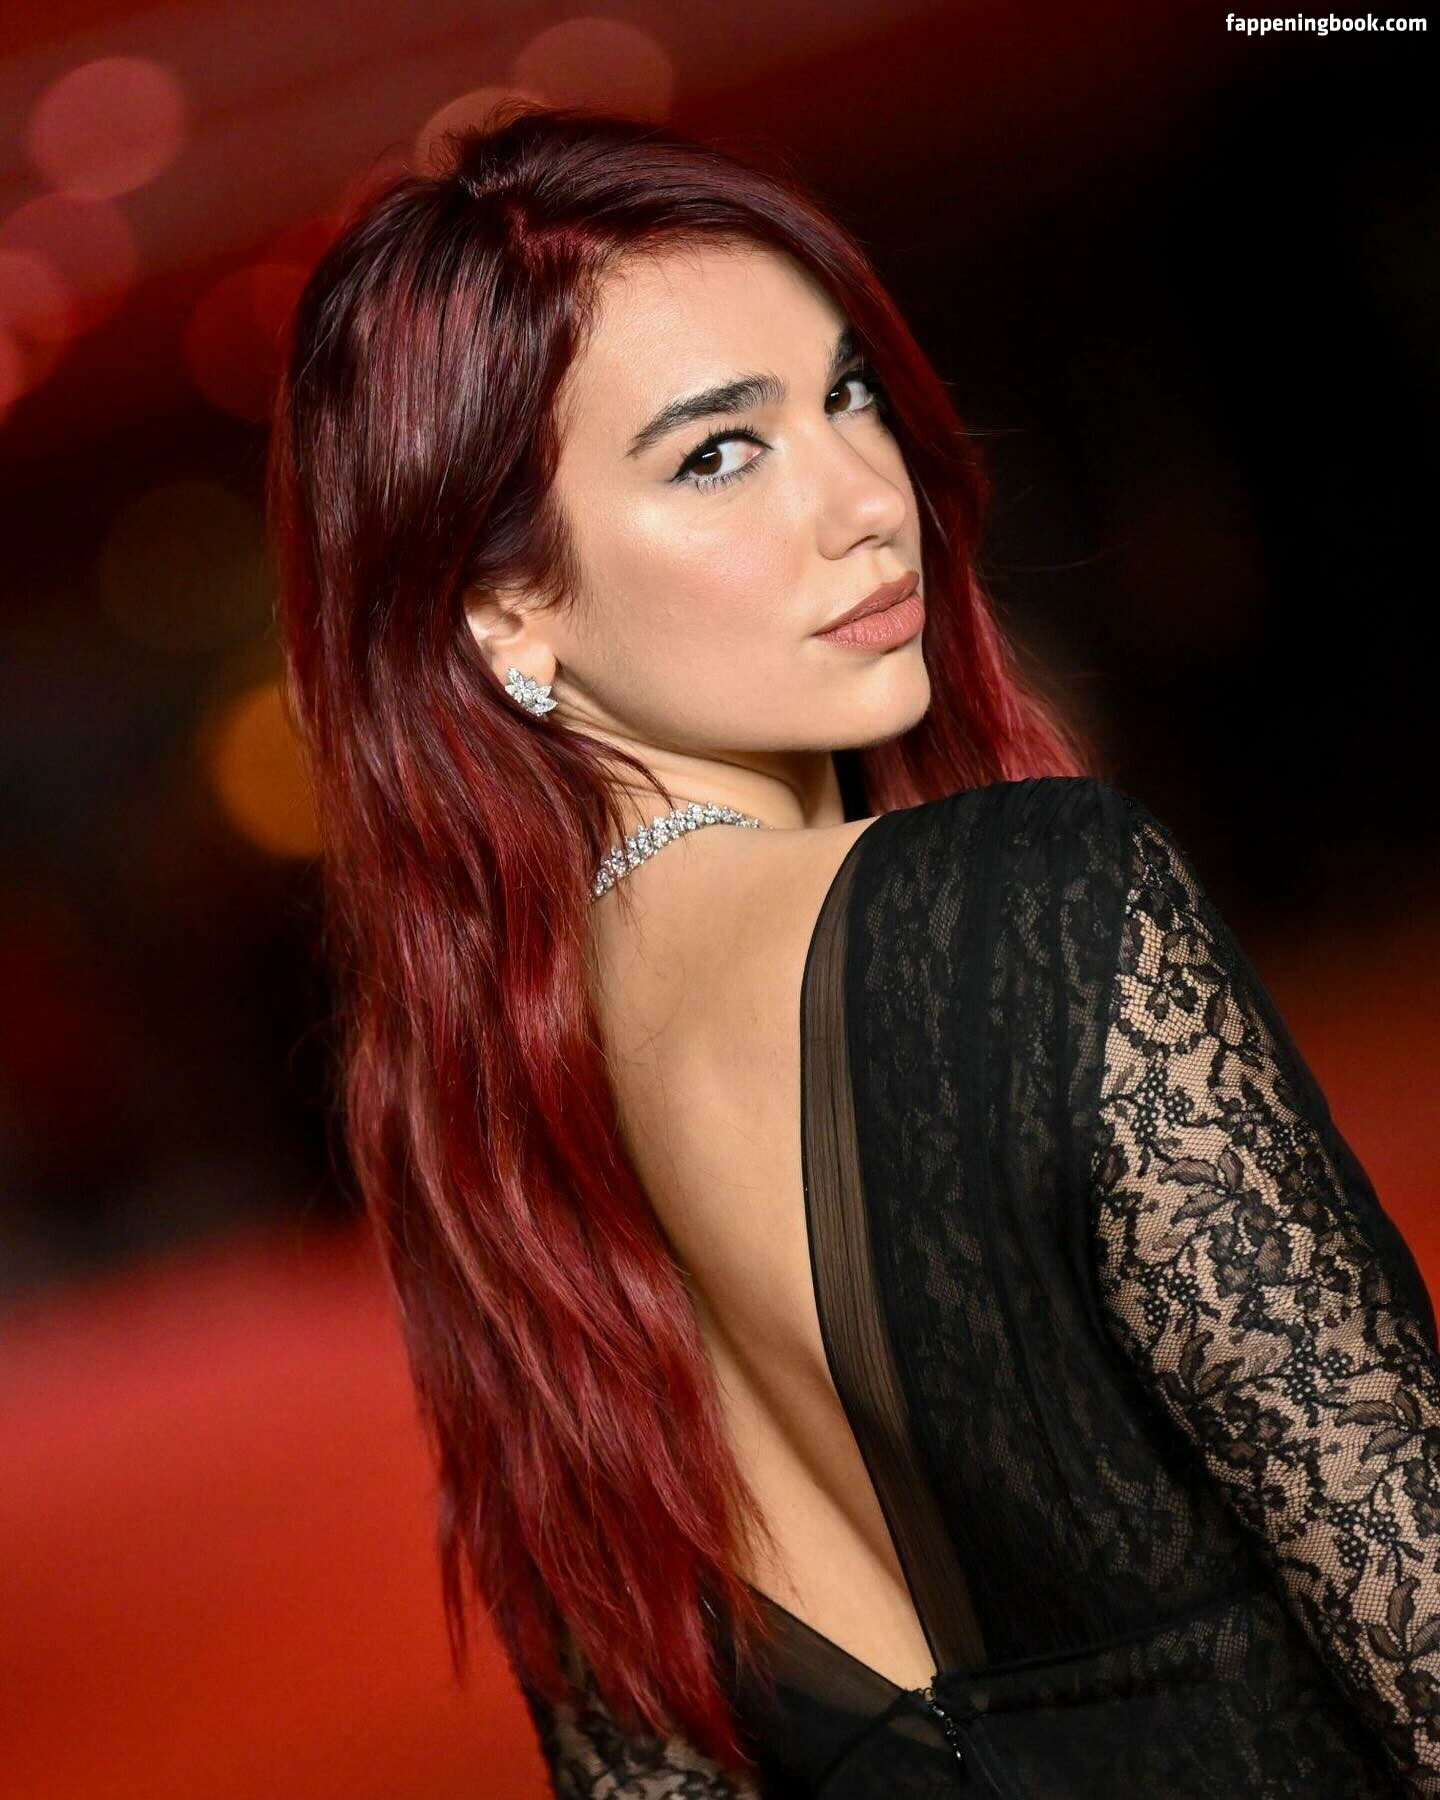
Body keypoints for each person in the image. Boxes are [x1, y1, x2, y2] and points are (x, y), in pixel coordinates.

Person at [266, 103, 1440, 1796]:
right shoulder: (1031, 907)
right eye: (716, 455)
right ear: (505, 606)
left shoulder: (490, 1139)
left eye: (851, 395)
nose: (867, 500)